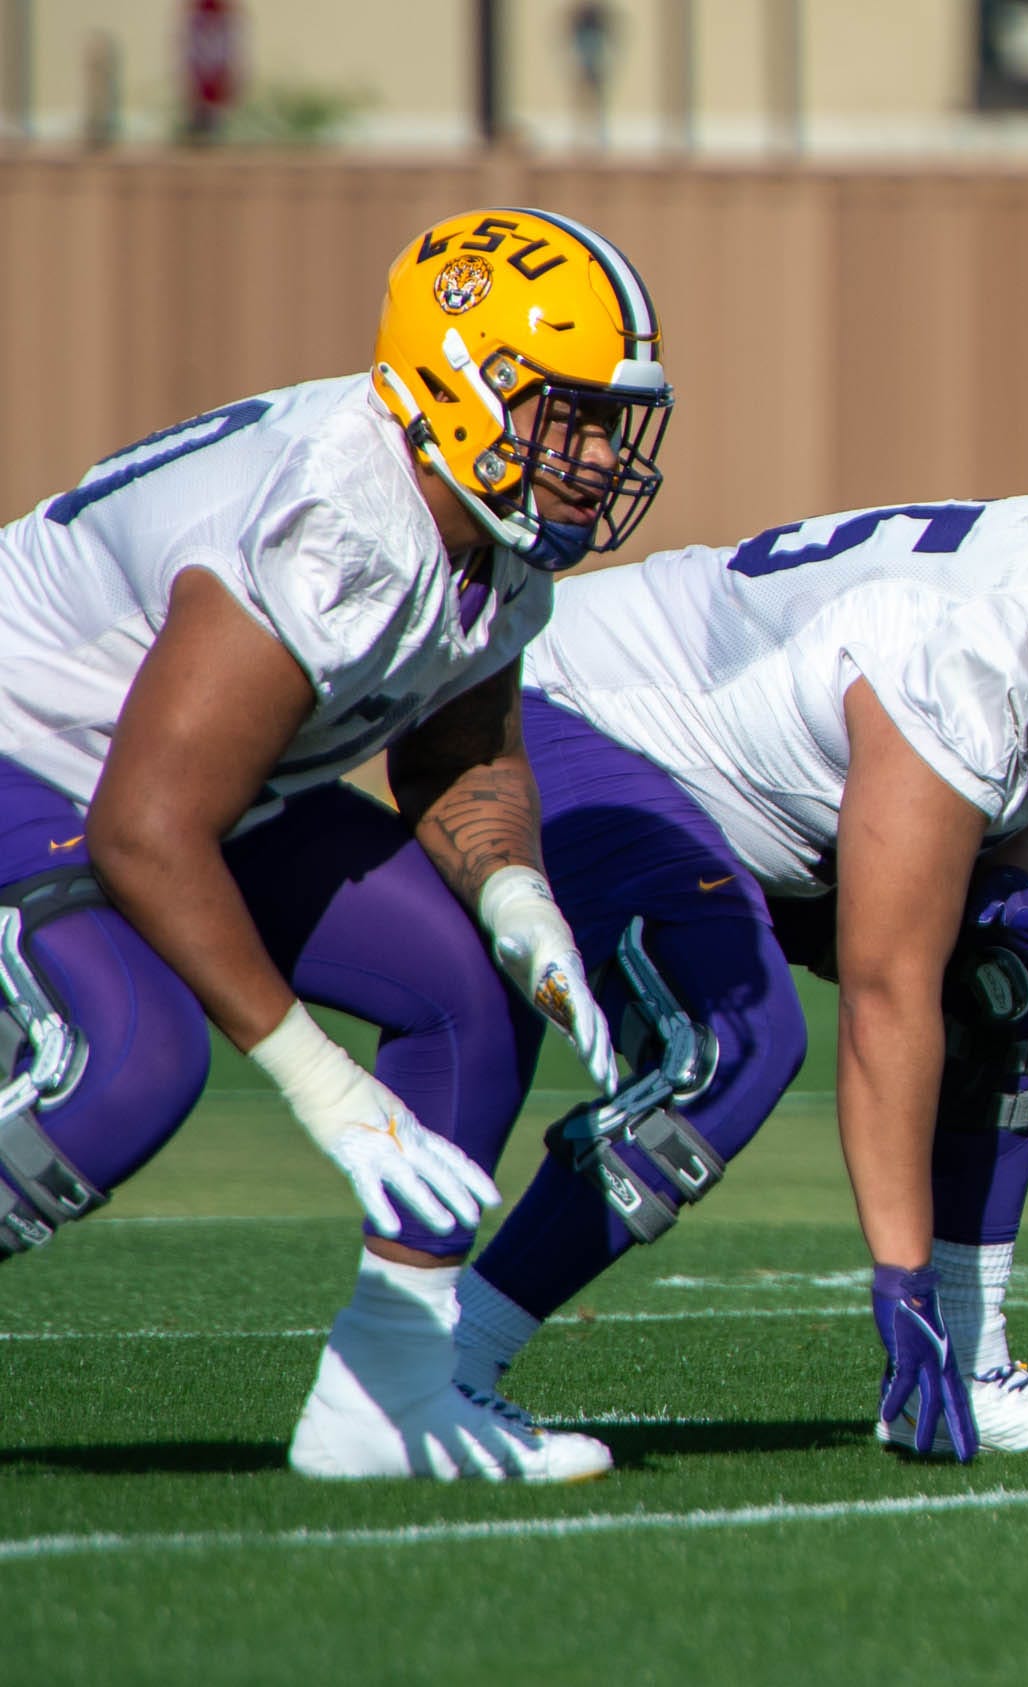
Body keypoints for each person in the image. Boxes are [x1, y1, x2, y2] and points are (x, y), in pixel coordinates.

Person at [443, 427, 1028, 1464]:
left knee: (1008, 982)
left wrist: (1002, 898)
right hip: (567, 713)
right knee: (728, 1050)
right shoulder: (973, 647)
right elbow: (885, 993)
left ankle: (975, 1360)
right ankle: (442, 1359)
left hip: (759, 787)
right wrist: (897, 1280)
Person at [0, 207, 673, 1481]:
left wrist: (520, 896)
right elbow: (147, 829)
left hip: (183, 777)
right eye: (566, 412)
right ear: (462, 386)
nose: (594, 454)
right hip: (32, 744)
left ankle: (392, 1395)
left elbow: (456, 753)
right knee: (132, 1058)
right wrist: (323, 1083)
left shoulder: (489, 515)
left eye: (609, 420)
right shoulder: (339, 518)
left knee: (474, 991)